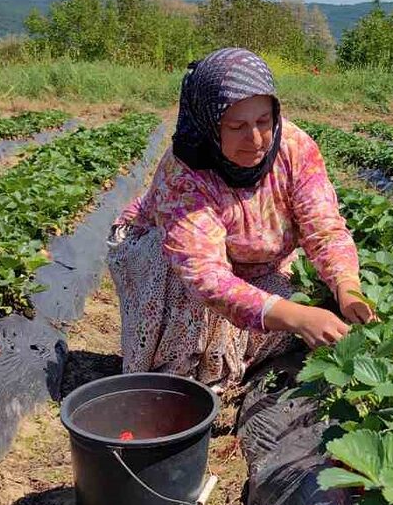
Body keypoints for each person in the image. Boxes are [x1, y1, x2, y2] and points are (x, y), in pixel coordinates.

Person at [107, 48, 372, 393]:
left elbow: (324, 228)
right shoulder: (186, 171)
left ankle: (233, 362)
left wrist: (348, 288)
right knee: (182, 283)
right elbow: (205, 277)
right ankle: (174, 381)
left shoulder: (294, 148)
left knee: (313, 308)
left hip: (257, 262)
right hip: (169, 260)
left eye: (264, 121)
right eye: (237, 126)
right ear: (209, 125)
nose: (257, 139)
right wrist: (295, 317)